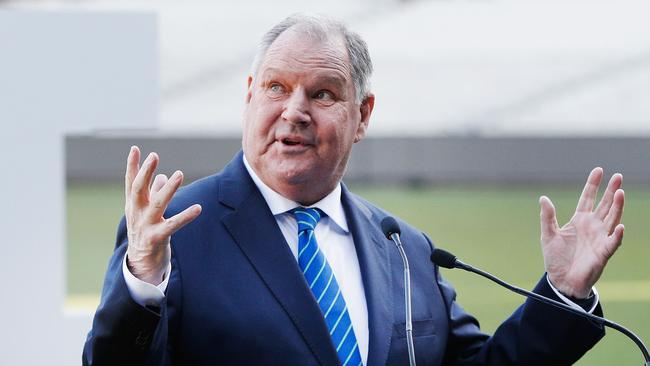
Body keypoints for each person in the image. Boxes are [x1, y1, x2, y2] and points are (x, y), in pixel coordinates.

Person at [82, 14, 625, 366]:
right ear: (249, 96)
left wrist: (562, 294)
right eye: (276, 87)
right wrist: (143, 284)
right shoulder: (174, 229)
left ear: (361, 115)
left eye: (321, 93)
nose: (293, 111)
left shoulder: (406, 250)